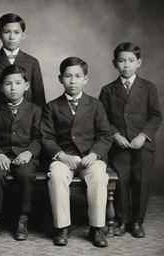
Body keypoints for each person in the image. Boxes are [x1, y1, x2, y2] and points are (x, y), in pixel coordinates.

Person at [40, 57, 112, 247]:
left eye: (78, 76)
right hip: (64, 157)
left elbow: (105, 135)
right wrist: (62, 155)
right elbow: (46, 137)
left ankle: (96, 228)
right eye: (68, 76)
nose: (73, 81)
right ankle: (62, 227)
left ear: (85, 79)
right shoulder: (52, 106)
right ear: (60, 78)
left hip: (90, 157)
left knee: (98, 176)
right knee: (56, 176)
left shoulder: (95, 105)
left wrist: (94, 154)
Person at [99, 42, 162, 238]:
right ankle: (122, 221)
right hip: (119, 146)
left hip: (143, 146)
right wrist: (116, 135)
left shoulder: (148, 87)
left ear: (139, 62)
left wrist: (143, 136)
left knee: (141, 182)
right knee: (121, 183)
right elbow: (102, 120)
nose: (126, 65)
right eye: (121, 61)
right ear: (114, 63)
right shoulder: (108, 90)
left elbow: (156, 116)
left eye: (131, 61)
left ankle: (137, 222)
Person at [0, 64, 42, 244]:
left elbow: (40, 137)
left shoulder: (35, 110)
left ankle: (22, 220)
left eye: (18, 83)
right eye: (8, 83)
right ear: (1, 87)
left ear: (27, 86)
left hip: (25, 156)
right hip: (2, 154)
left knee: (25, 174)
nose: (13, 87)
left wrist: (29, 153)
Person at [0, 13, 45, 126]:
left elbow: (39, 100)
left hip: (26, 125)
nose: (12, 37)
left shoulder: (32, 62)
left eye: (16, 32)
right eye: (6, 32)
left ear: (23, 35)